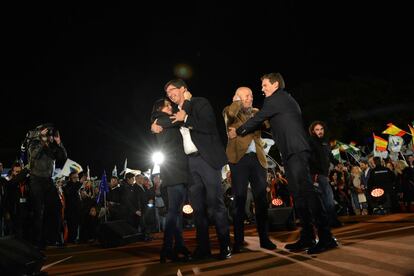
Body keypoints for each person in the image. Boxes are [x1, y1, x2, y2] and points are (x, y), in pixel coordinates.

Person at [228, 73, 338, 254]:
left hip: (295, 150)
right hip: (289, 152)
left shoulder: (276, 99)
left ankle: (326, 237)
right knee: (299, 195)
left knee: (307, 192)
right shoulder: (282, 100)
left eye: (264, 85)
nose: (262, 89)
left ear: (275, 84)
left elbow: (258, 118)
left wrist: (238, 131)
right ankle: (308, 236)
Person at [154, 79, 231, 260]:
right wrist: (154, 125)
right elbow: (158, 118)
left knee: (216, 204)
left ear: (184, 89)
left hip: (206, 160)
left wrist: (186, 118)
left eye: (173, 90)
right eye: (167, 93)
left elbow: (210, 126)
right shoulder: (174, 112)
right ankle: (203, 248)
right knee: (197, 209)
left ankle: (224, 245)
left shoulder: (200, 103)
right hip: (189, 164)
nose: (170, 94)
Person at [223, 86, 276, 253]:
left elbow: (267, 124)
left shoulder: (256, 112)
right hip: (239, 159)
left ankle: (265, 239)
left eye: (251, 95)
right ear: (236, 98)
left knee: (261, 200)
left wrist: (258, 113)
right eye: (246, 96)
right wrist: (237, 103)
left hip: (258, 159)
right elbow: (230, 115)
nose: (250, 98)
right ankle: (239, 242)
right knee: (239, 200)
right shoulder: (229, 110)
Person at [151, 98, 191, 263]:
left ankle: (178, 246)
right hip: (174, 171)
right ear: (160, 108)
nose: (171, 107)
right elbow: (181, 118)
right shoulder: (160, 119)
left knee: (176, 213)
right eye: (168, 105)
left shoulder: (163, 121)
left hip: (178, 170)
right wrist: (186, 101)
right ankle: (167, 248)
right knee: (173, 212)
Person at [28, 125, 67, 250]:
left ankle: (52, 238)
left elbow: (63, 157)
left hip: (48, 181)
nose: (50, 137)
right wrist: (42, 141)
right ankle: (37, 242)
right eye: (48, 135)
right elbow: (33, 156)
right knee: (38, 211)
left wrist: (59, 143)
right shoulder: (34, 144)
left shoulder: (52, 146)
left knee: (56, 207)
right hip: (36, 180)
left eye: (51, 135)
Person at [308, 121, 342, 227]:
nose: (320, 131)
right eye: (317, 129)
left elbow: (330, 155)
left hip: (323, 174)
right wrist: (317, 173)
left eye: (321, 129)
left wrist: (337, 163)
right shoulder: (311, 142)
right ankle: (332, 221)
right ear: (313, 131)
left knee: (325, 199)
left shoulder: (325, 142)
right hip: (317, 175)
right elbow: (310, 158)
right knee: (328, 198)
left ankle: (325, 222)